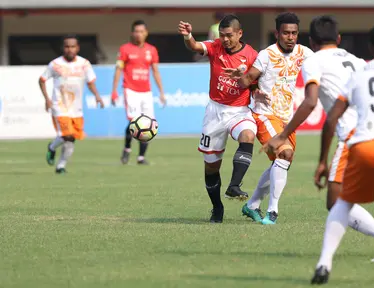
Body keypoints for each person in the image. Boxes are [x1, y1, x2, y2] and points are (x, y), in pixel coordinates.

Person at [265, 15, 374, 263]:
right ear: (339, 39)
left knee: (335, 201)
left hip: (356, 137)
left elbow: (310, 102)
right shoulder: (357, 60)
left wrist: (283, 135)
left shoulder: (313, 60)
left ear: (311, 40)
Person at [309, 23, 374, 284]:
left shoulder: (361, 72)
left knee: (340, 202)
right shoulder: (356, 64)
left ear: (371, 47)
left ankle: (324, 262)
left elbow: (331, 120)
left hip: (363, 143)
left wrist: (321, 161)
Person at [224, 12, 313, 224]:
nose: (290, 37)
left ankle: (252, 204)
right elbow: (247, 79)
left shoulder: (303, 52)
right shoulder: (266, 55)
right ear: (277, 33)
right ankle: (273, 211)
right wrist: (245, 80)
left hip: (286, 118)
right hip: (264, 114)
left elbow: (323, 64)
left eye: (294, 33)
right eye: (286, 33)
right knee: (285, 154)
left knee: (282, 162)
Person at [178, 14, 259, 223]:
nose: (225, 39)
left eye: (229, 35)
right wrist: (188, 36)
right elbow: (195, 47)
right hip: (215, 112)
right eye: (222, 35)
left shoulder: (251, 55)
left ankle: (234, 186)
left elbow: (256, 82)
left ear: (239, 33)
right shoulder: (215, 47)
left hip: (239, 111)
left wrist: (246, 82)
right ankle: (217, 207)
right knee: (211, 166)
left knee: (248, 135)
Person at [40, 35, 104, 174]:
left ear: (78, 48)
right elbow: (42, 79)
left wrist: (97, 96)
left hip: (76, 108)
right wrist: (47, 99)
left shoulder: (84, 64)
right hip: (60, 105)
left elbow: (90, 82)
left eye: (72, 46)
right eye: (67, 46)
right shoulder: (55, 64)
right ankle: (51, 147)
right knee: (67, 134)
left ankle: (61, 166)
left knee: (71, 139)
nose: (70, 49)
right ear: (63, 48)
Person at [111, 20, 166, 165]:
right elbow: (118, 69)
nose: (139, 34)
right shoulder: (125, 49)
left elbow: (155, 71)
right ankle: (127, 148)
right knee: (134, 122)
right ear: (132, 33)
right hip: (130, 90)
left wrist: (161, 92)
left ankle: (141, 157)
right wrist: (114, 91)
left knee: (149, 124)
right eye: (136, 31)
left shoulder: (152, 50)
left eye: (142, 31)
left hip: (146, 92)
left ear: (146, 33)